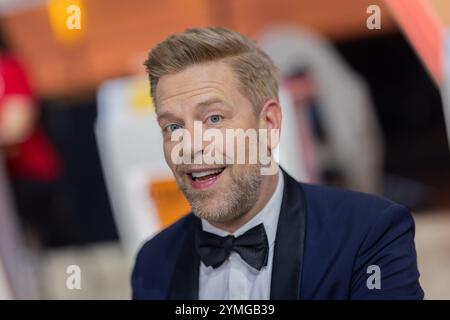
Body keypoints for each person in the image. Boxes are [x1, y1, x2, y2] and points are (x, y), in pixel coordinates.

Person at [131, 27, 424, 299]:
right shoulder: (153, 263)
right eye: (173, 127)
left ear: (269, 123)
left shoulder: (368, 233)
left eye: (214, 119)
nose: (190, 148)